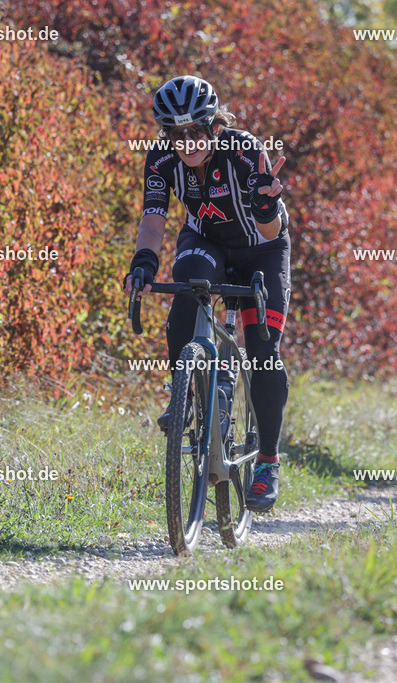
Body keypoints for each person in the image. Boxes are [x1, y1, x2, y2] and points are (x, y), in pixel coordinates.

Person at [123, 75, 291, 513]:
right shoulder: (161, 160)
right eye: (177, 135)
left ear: (214, 126)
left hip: (263, 249)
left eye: (197, 131)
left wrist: (266, 206)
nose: (188, 142)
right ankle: (187, 392)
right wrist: (143, 262)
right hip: (208, 241)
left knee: (263, 350)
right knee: (188, 280)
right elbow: (154, 219)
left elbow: (273, 229)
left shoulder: (244, 149)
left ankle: (269, 463)